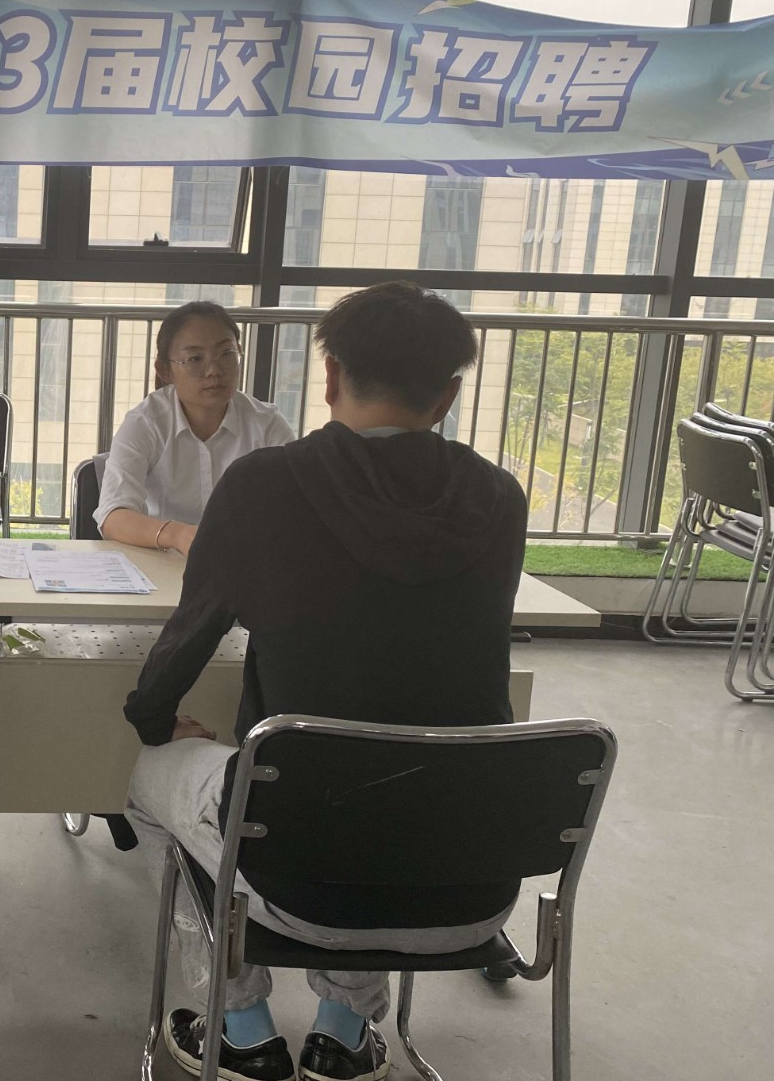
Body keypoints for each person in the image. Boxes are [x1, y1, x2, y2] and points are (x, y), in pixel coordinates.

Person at [123, 282, 526, 1081]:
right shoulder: (500, 498)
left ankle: (242, 1027)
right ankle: (341, 1034)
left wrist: (153, 718)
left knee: (153, 776)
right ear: (448, 395)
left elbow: (189, 638)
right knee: (380, 774)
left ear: (332, 376)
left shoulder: (263, 485)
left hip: (300, 874)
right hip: (470, 881)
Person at [96, 301, 293, 554]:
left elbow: (293, 510)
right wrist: (177, 535)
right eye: (195, 359)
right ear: (165, 370)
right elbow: (113, 517)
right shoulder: (145, 423)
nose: (214, 371)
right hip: (162, 560)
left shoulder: (268, 425)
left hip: (243, 563)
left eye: (226, 354)